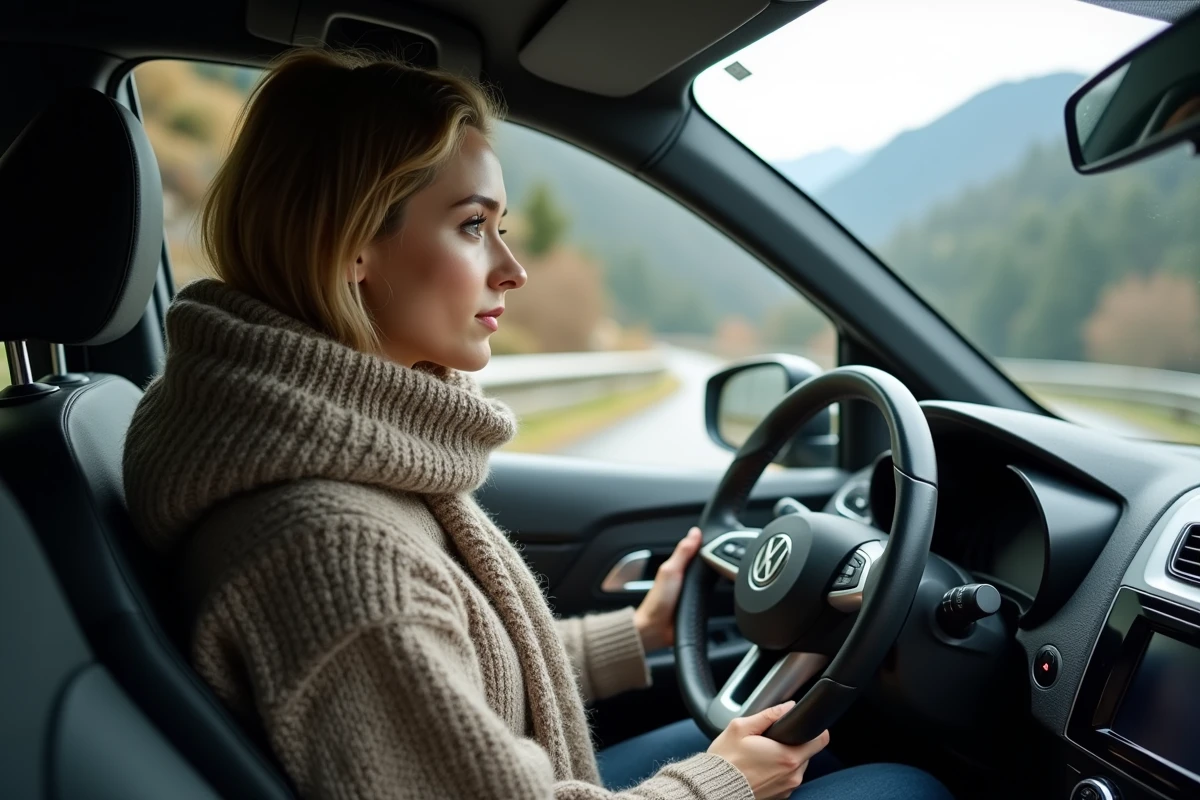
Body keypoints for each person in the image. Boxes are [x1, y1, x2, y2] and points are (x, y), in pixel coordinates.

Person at [122, 48, 954, 800]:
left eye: (502, 229)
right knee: (903, 788)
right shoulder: (331, 547)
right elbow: (397, 662)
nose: (513, 270)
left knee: (838, 763)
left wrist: (638, 632)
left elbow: (444, 685)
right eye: (472, 226)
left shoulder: (320, 452)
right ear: (350, 246)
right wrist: (716, 787)